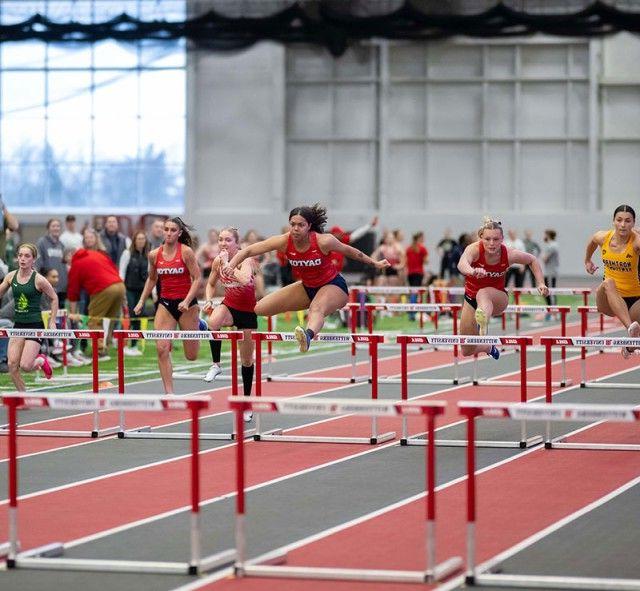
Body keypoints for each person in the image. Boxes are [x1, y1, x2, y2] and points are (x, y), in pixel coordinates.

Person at [225, 204, 390, 352]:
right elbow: (247, 251)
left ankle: (308, 336)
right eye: (292, 224)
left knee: (315, 309)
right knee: (260, 309)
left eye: (301, 225)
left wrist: (374, 263)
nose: (295, 229)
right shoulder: (284, 241)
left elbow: (351, 251)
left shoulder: (324, 241)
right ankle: (220, 319)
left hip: (334, 286)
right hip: (307, 287)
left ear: (309, 226)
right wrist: (229, 266)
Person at [133, 217, 206, 394]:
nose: (169, 233)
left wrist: (187, 301)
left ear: (179, 233)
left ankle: (200, 326)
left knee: (191, 356)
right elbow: (152, 279)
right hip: (165, 304)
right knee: (161, 348)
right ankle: (169, 393)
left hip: (187, 305)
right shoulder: (154, 255)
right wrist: (142, 301)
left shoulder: (186, 252)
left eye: (173, 230)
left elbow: (197, 278)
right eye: (166, 229)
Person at [457, 218, 548, 359]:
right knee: (467, 349)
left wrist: (540, 283)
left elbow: (532, 260)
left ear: (502, 239)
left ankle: (483, 320)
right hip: (470, 299)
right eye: (487, 239)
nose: (492, 243)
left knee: (483, 293)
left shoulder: (509, 254)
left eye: (496, 239)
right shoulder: (474, 249)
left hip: (498, 299)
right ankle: (488, 346)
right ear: (481, 237)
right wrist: (472, 271)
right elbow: (462, 264)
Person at [202, 227, 258, 420]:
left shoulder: (246, 259)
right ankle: (216, 364)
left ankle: (247, 403)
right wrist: (209, 300)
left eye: (228, 240)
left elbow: (244, 281)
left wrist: (228, 264)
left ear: (237, 242)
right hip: (229, 305)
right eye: (221, 240)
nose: (223, 244)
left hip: (248, 312)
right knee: (213, 321)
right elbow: (209, 284)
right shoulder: (217, 261)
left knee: (247, 360)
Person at [0, 244, 58, 390]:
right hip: (18, 325)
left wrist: (52, 322)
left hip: (34, 326)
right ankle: (23, 397)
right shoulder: (11, 276)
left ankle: (40, 360)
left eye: (27, 256)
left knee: (26, 366)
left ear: (33, 260)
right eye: (20, 255)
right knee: (12, 365)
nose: (22, 259)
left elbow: (54, 298)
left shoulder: (39, 280)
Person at [585, 205, 640, 358]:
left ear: (634, 223)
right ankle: (631, 328)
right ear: (613, 221)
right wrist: (588, 260)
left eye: (628, 221)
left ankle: (629, 347)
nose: (623, 225)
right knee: (609, 282)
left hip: (634, 301)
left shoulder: (636, 242)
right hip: (608, 299)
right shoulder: (603, 237)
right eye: (619, 220)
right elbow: (592, 241)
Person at [67, 228, 126, 360]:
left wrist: (73, 313)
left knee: (94, 319)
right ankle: (105, 347)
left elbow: (73, 290)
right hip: (120, 286)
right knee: (109, 319)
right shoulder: (100, 255)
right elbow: (113, 269)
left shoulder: (77, 263)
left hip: (103, 288)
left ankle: (100, 351)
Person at [119, 230, 150, 356]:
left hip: (141, 290)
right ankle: (123, 343)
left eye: (143, 239)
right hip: (129, 289)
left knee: (139, 316)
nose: (141, 241)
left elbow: (150, 275)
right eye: (139, 239)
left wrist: (152, 292)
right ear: (134, 240)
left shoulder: (148, 255)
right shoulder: (127, 253)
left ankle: (134, 344)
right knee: (130, 315)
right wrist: (122, 290)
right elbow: (121, 272)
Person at [35, 218, 68, 307]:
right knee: (49, 311)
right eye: (53, 226)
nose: (56, 228)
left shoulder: (61, 245)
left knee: (61, 313)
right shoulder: (42, 242)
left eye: (58, 226)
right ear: (48, 228)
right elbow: (38, 263)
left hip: (61, 285)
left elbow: (64, 264)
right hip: (48, 285)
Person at [406, 231, 429, 320]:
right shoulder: (422, 249)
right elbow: (426, 261)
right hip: (418, 273)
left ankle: (412, 312)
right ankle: (412, 313)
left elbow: (406, 262)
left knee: (413, 292)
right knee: (415, 293)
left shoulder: (409, 248)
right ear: (420, 238)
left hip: (410, 273)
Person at [542, 229, 559, 310]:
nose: (543, 236)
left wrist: (542, 257)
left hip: (550, 272)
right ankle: (550, 310)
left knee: (550, 291)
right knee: (547, 291)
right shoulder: (549, 245)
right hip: (548, 271)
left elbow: (545, 258)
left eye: (545, 235)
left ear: (548, 235)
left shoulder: (552, 246)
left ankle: (553, 311)